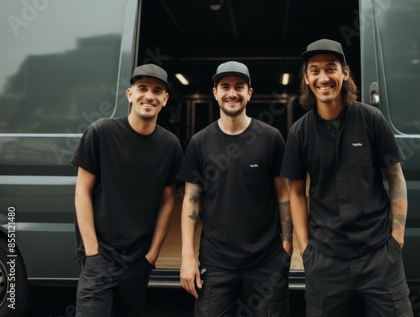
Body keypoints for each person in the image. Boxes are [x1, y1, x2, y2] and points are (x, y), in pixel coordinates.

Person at [280, 39, 413, 316]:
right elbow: (294, 192)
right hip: (326, 262)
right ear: (306, 78)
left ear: (345, 73)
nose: (323, 77)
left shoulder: (371, 119)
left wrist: (396, 239)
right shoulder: (299, 133)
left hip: (379, 256)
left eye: (331, 68)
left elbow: (396, 177)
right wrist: (306, 251)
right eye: (314, 71)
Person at [177, 61, 292, 316]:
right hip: (216, 265)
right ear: (215, 92)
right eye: (225, 86)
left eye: (239, 86)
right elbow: (191, 201)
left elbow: (284, 194)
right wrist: (188, 257)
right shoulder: (199, 143)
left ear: (249, 93)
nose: (232, 92)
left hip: (266, 262)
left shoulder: (271, 138)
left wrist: (286, 248)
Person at [71, 64, 183, 316]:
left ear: (165, 100)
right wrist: (92, 250)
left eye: (157, 90)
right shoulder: (101, 132)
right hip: (100, 257)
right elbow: (82, 192)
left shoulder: (170, 145)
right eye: (142, 88)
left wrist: (151, 256)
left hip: (137, 262)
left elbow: (168, 201)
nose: (149, 96)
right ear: (130, 94)